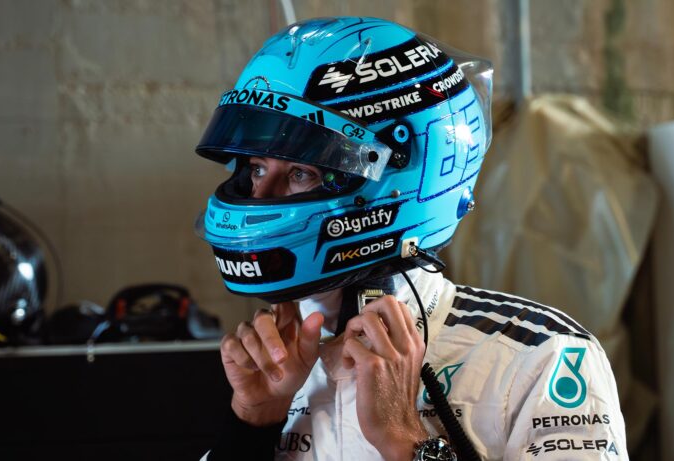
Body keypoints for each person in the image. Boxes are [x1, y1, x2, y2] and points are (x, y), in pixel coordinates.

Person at [194, 17, 628, 461]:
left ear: (397, 179)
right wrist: (250, 426)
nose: (259, 196)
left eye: (300, 173)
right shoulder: (269, 372)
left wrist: (406, 440)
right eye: (256, 168)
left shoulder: (541, 355)